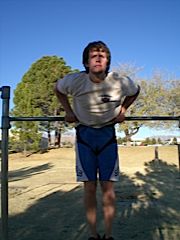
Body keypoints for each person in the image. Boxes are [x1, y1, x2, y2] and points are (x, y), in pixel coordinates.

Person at [55, 41, 140, 240]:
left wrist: (123, 110)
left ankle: (108, 236)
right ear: (86, 63)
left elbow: (135, 91)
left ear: (107, 61)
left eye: (102, 56)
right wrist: (68, 111)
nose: (98, 58)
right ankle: (93, 235)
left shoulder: (119, 81)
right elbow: (58, 90)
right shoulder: (74, 81)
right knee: (90, 187)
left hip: (107, 136)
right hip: (84, 135)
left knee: (108, 188)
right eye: (94, 56)